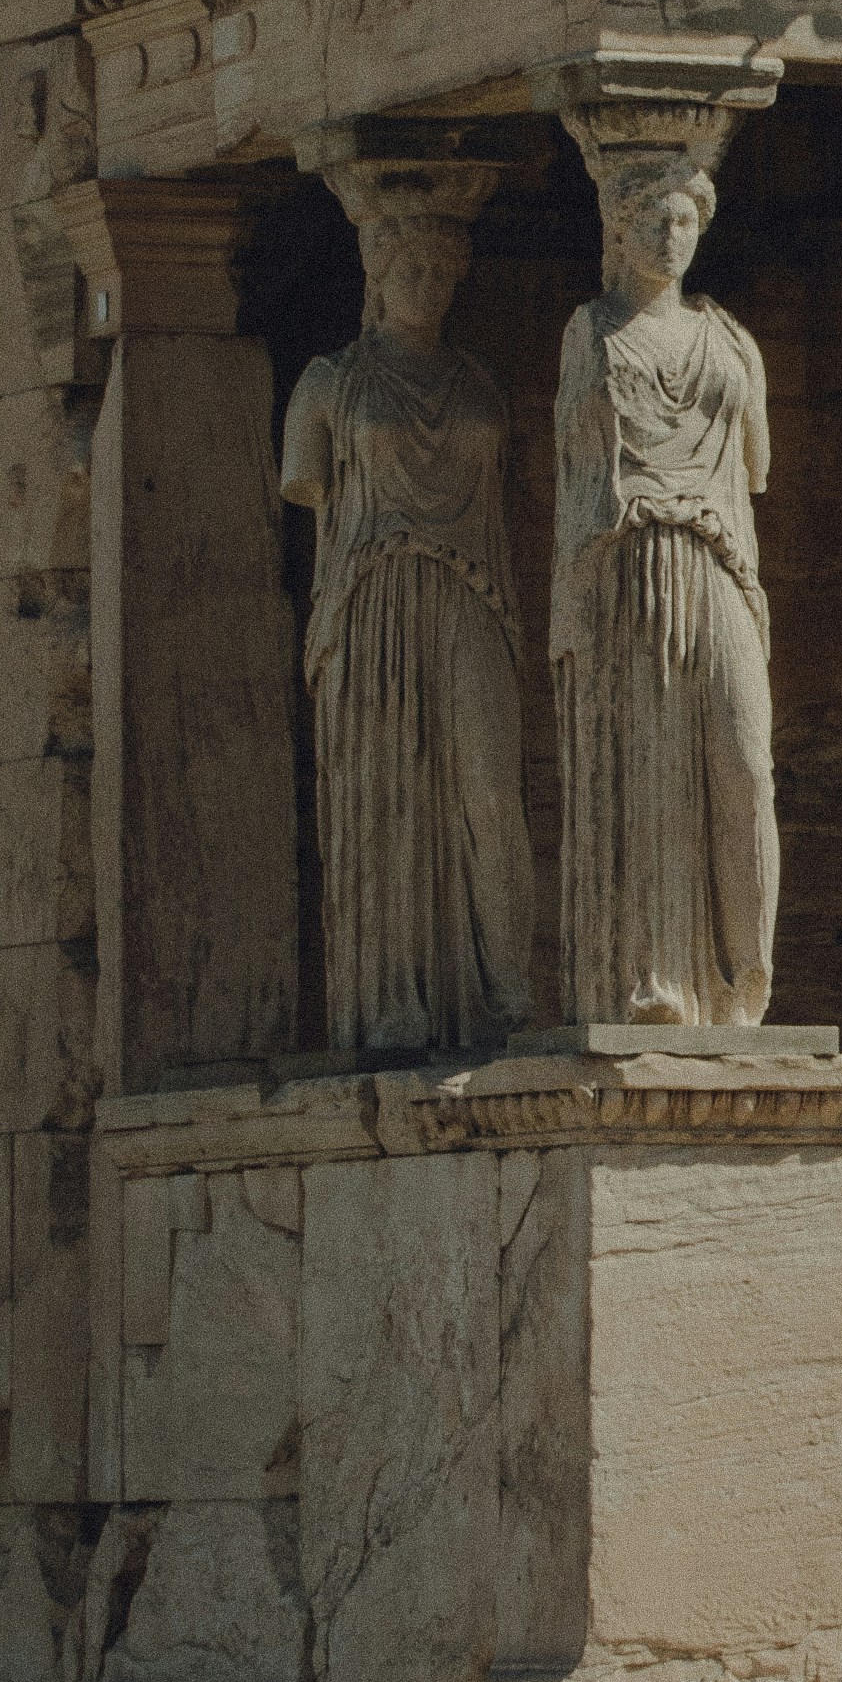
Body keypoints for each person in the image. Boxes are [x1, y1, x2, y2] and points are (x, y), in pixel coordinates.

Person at [278, 180, 538, 1059]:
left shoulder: (479, 383)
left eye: (441, 268)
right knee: (384, 793)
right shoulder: (327, 386)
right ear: (376, 274)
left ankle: (508, 991)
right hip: (370, 600)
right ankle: (392, 1000)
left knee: (489, 788)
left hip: (472, 594)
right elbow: (306, 483)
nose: (428, 282)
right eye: (409, 266)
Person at [556, 128, 779, 1030]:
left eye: (685, 217)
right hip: (630, 560)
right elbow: (576, 479)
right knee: (645, 767)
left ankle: (745, 982)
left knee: (743, 764)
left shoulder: (732, 339)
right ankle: (653, 982)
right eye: (652, 217)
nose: (671, 235)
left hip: (720, 559)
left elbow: (754, 467)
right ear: (619, 229)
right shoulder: (591, 332)